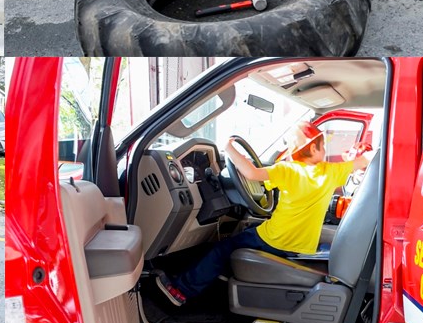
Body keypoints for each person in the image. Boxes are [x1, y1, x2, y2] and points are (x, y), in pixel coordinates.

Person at [154, 124, 372, 307]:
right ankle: (219, 272)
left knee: (222, 248)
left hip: (274, 239)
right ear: (314, 148)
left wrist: (229, 148)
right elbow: (365, 160)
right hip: (301, 245)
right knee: (247, 230)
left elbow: (250, 173)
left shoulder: (286, 170)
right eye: (322, 145)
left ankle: (181, 290)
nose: (324, 149)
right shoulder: (331, 172)